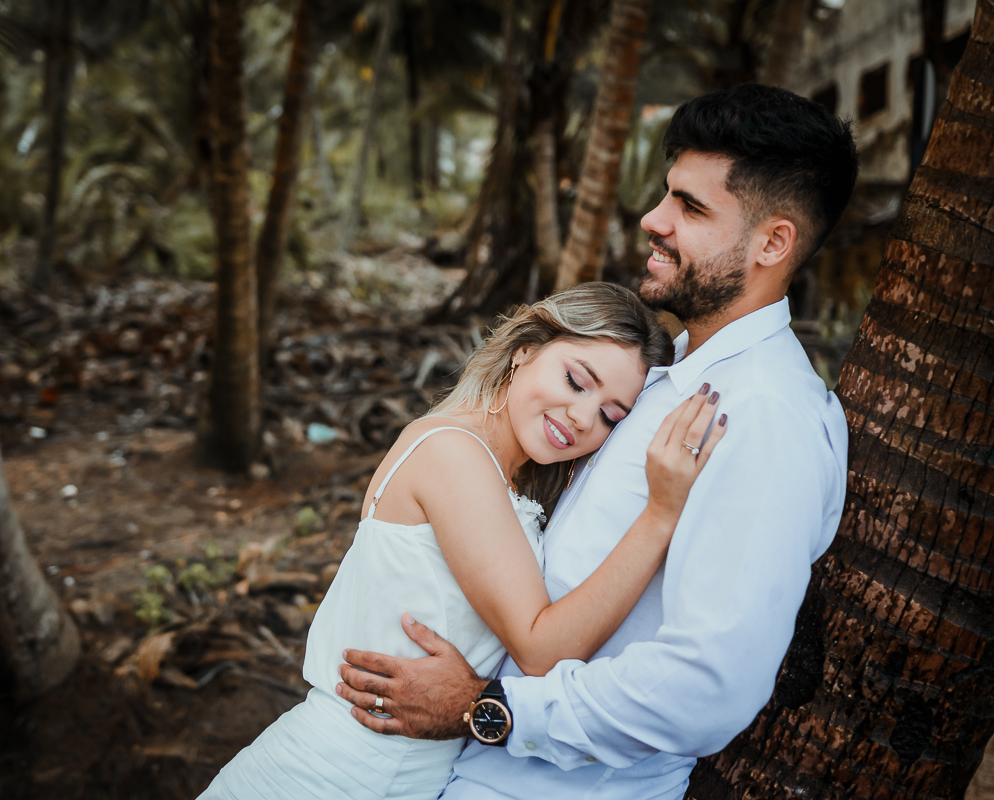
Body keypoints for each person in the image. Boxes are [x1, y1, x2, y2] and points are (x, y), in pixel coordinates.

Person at [336, 83, 859, 800]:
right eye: (666, 194)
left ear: (772, 243)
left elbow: (708, 686)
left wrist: (487, 710)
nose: (653, 219)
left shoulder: (765, 417)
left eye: (691, 207)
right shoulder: (665, 377)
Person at [199, 282, 729, 800]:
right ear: (525, 351)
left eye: (612, 414)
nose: (583, 417)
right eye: (576, 380)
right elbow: (544, 649)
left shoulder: (501, 472)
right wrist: (661, 515)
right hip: (338, 775)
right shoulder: (454, 454)